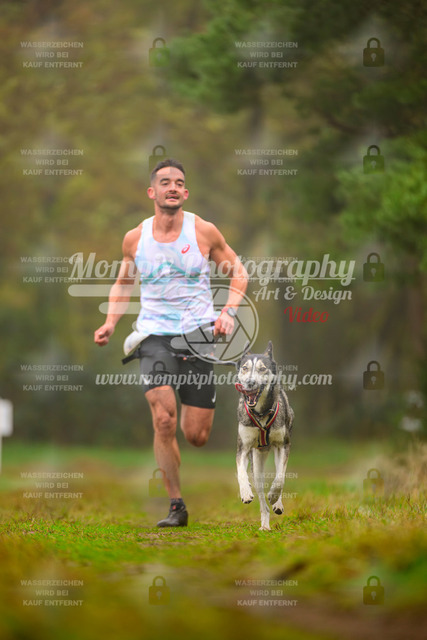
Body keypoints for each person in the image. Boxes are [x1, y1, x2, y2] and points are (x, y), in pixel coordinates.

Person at [94, 159, 248, 527]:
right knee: (163, 419)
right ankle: (177, 505)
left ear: (186, 192)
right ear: (152, 192)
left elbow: (239, 273)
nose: (173, 187)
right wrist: (111, 322)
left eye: (179, 182)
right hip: (153, 337)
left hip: (198, 337)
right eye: (165, 182)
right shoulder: (135, 238)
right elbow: (123, 283)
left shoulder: (203, 232)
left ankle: (191, 457)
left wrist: (228, 312)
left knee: (196, 435)